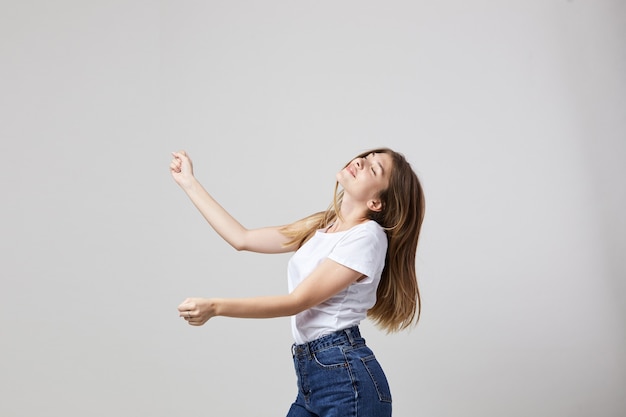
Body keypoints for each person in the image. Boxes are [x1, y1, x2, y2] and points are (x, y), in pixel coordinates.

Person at [170, 147, 425, 417]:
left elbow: (297, 302)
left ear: (377, 203)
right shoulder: (321, 228)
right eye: (366, 157)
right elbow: (241, 238)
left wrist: (215, 307)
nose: (360, 161)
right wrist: (189, 183)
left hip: (347, 382)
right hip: (313, 378)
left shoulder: (367, 237)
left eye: (374, 169)